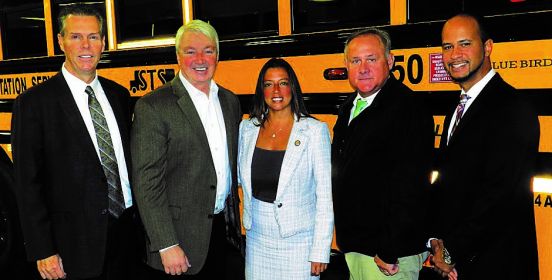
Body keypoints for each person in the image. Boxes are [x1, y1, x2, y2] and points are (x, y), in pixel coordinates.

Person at [11, 4, 142, 280]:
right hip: (73, 244)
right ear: (61, 41)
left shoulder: (119, 95)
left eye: (93, 37)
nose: (86, 45)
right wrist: (42, 249)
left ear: (103, 43)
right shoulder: (34, 104)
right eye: (76, 37)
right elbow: (27, 184)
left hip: (126, 234)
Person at [428, 13, 540, 280]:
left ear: (487, 47)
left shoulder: (513, 108)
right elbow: (447, 183)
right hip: (462, 264)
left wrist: (452, 251)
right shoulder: (455, 110)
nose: (454, 54)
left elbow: (499, 196)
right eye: (447, 46)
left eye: (465, 44)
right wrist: (436, 239)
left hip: (498, 263)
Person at [131, 19, 243, 279]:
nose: (200, 59)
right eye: (190, 51)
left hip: (223, 233)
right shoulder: (154, 107)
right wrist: (166, 244)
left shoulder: (229, 101)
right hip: (178, 240)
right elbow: (147, 183)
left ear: (218, 54)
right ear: (178, 57)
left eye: (208, 50)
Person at [331, 28, 434, 280]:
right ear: (347, 65)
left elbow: (411, 185)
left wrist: (389, 249)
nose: (363, 68)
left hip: (387, 257)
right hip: (356, 247)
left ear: (390, 61)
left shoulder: (408, 109)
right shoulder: (349, 108)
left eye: (372, 59)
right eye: (356, 61)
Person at [238, 58, 334, 279]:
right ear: (261, 89)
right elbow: (241, 179)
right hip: (257, 237)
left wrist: (320, 249)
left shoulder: (314, 131)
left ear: (293, 87)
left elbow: (325, 196)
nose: (276, 90)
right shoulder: (247, 129)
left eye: (283, 82)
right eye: (268, 84)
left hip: (299, 241)